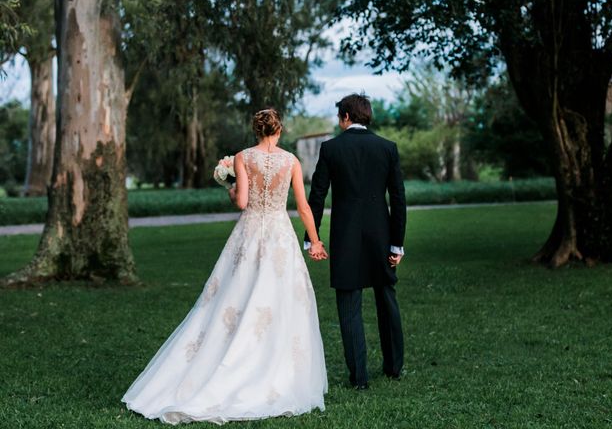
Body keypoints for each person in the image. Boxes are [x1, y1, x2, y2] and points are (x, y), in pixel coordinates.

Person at [122, 108, 328, 424]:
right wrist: (314, 241)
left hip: (248, 234)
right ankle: (276, 367)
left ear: (256, 130)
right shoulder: (292, 161)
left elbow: (243, 202)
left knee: (232, 297)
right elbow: (302, 206)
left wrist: (231, 189)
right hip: (280, 235)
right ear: (280, 130)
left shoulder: (243, 157)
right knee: (281, 298)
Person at [305, 93, 407, 390]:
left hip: (345, 237)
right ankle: (393, 367)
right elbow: (398, 199)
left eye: (339, 116)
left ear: (346, 117)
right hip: (382, 238)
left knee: (349, 306)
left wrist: (313, 239)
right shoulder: (387, 148)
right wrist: (396, 244)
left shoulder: (331, 149)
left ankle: (359, 378)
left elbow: (318, 196)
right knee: (387, 299)